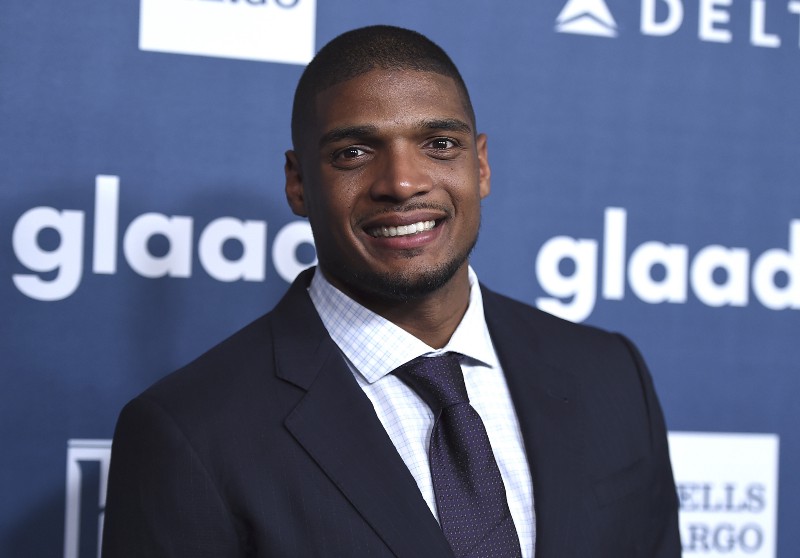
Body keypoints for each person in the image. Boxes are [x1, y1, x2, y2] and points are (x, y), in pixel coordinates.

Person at [102, 25, 680, 558]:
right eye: (354, 152)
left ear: (480, 165)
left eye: (439, 145)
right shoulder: (189, 432)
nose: (402, 183)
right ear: (298, 183)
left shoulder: (609, 373)